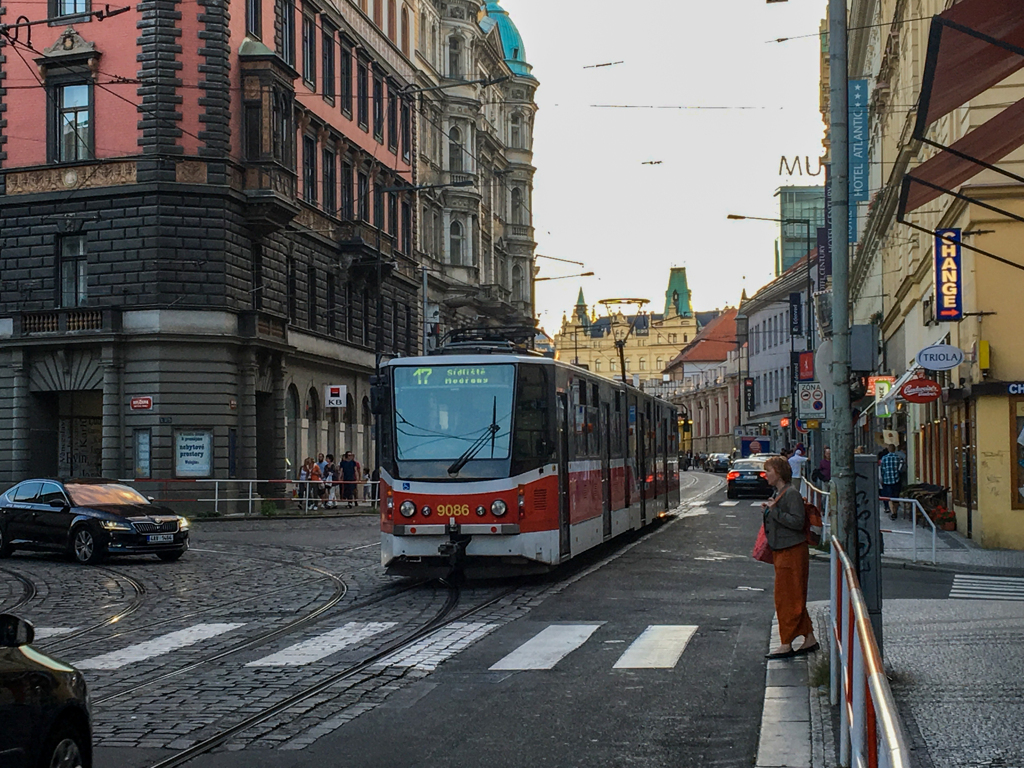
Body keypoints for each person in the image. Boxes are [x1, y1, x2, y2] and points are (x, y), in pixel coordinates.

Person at [761, 456, 818, 659]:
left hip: (791, 551)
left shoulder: (790, 494)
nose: (765, 475)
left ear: (778, 472)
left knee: (787, 597)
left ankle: (786, 643)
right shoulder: (780, 492)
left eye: (768, 471)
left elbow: (796, 521)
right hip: (784, 550)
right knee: (793, 596)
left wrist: (774, 511)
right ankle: (808, 638)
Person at [879, 444, 903, 520]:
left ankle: (892, 512)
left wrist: (882, 478)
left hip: (887, 480)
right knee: (896, 496)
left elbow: (882, 470)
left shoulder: (884, 458)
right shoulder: (898, 458)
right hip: (896, 480)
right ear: (894, 449)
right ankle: (895, 511)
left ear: (888, 450)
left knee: (889, 497)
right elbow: (901, 469)